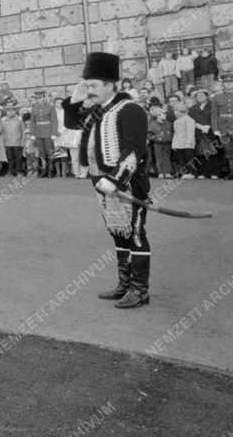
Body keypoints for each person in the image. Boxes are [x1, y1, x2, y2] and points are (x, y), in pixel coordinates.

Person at [62, 52, 151, 309]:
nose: (89, 90)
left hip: (127, 184)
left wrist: (116, 180)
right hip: (100, 183)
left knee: (135, 234)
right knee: (117, 232)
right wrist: (76, 97)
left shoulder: (130, 109)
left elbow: (133, 151)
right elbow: (71, 122)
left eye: (93, 85)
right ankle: (125, 284)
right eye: (87, 85)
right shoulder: (96, 111)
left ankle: (140, 289)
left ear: (111, 85)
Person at [29, 90, 57, 177]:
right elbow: (32, 122)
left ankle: (51, 170)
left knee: (49, 152)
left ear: (44, 97)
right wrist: (33, 134)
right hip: (38, 133)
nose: (38, 99)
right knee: (41, 152)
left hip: (48, 132)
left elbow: (54, 121)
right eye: (37, 98)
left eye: (40, 98)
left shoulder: (50, 107)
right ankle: (43, 170)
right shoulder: (34, 107)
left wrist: (53, 133)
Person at [211, 73, 233, 179]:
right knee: (228, 151)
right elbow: (214, 114)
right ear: (223, 84)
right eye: (226, 83)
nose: (229, 85)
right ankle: (232, 172)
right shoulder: (216, 97)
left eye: (231, 82)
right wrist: (216, 129)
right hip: (223, 127)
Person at [2, 106, 24, 176]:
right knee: (9, 158)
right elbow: (1, 131)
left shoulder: (19, 120)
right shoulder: (3, 120)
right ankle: (10, 171)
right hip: (7, 142)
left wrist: (22, 141)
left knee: (18, 158)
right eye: (9, 111)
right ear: (6, 112)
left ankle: (18, 172)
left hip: (17, 142)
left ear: (15, 111)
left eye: (12, 111)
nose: (10, 112)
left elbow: (23, 130)